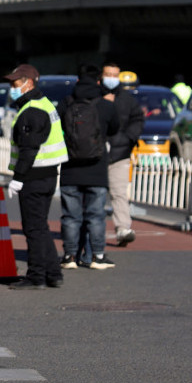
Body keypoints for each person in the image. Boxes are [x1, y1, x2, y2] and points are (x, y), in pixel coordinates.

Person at [5, 63, 67, 290]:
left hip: (34, 175)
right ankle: (53, 273)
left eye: (14, 83)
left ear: (28, 83)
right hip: (46, 174)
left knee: (33, 228)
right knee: (40, 226)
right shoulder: (43, 104)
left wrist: (18, 178)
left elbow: (29, 148)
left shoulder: (32, 109)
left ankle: (36, 276)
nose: (11, 87)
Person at [57, 64, 119, 270]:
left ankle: (69, 256)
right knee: (96, 216)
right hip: (97, 168)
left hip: (70, 168)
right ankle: (97, 256)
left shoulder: (66, 103)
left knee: (71, 216)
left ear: (77, 81)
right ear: (99, 82)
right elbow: (115, 128)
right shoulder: (106, 105)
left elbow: (57, 128)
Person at [102, 62, 144, 247]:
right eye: (108, 74)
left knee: (119, 193)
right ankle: (88, 230)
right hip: (96, 153)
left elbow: (137, 119)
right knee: (93, 195)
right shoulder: (94, 96)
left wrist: (129, 139)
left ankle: (123, 228)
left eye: (114, 75)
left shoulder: (126, 99)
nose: (111, 78)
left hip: (120, 153)